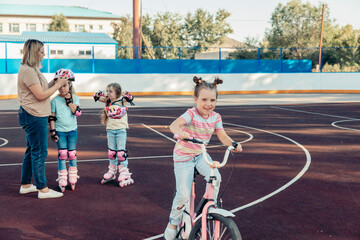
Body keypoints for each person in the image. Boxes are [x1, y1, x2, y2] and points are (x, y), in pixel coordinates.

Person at [163, 76, 243, 239]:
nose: (209, 104)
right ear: (195, 99)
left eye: (212, 100)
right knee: (183, 195)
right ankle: (173, 223)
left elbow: (222, 135)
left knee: (216, 177)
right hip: (183, 156)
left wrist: (233, 143)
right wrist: (180, 131)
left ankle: (209, 208)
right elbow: (174, 125)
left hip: (200, 154)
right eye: (204, 99)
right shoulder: (191, 114)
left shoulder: (216, 117)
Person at [17, 39, 69, 199]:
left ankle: (26, 185)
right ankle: (42, 189)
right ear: (34, 53)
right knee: (39, 152)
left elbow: (42, 88)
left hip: (33, 114)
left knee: (31, 150)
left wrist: (56, 80)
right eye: (41, 52)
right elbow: (40, 95)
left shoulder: (32, 69)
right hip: (33, 115)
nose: (44, 54)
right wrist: (58, 84)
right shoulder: (28, 71)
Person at [93, 83, 135, 187]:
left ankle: (124, 171)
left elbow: (131, 98)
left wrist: (128, 95)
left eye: (110, 91)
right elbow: (95, 97)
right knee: (111, 152)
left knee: (121, 153)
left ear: (117, 93)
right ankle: (112, 170)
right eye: (107, 91)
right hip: (110, 130)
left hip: (121, 130)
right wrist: (100, 93)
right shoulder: (107, 101)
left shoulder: (121, 100)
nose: (108, 93)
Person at [49, 69, 81, 192]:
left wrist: (69, 101)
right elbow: (51, 117)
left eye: (64, 85)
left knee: (72, 153)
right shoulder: (54, 100)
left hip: (72, 131)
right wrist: (53, 131)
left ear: (70, 85)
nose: (62, 88)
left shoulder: (75, 98)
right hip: (60, 131)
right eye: (59, 86)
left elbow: (77, 113)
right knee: (62, 154)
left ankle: (72, 174)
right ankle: (62, 177)